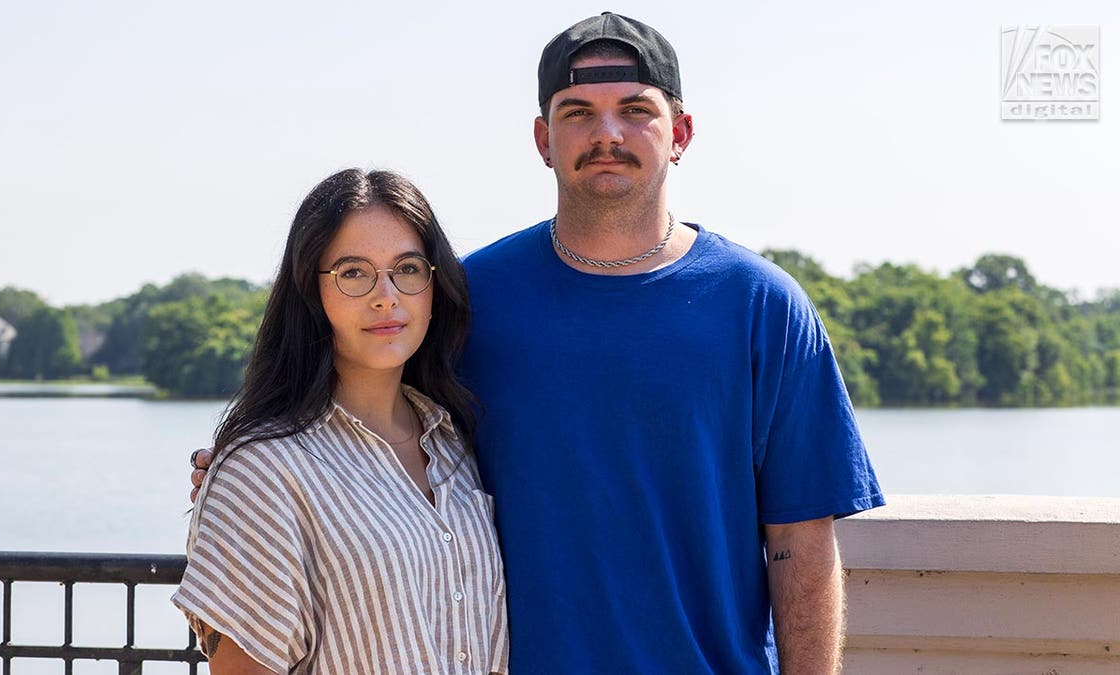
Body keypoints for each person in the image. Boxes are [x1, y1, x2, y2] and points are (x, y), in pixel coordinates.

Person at [192, 13, 882, 673]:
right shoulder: (467, 298)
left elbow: (802, 542)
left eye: (635, 109)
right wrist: (244, 474)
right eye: (577, 112)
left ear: (680, 132)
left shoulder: (764, 305)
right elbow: (362, 416)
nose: (606, 133)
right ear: (542, 139)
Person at [174, 168, 508, 674]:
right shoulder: (263, 469)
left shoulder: (456, 446)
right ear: (312, 291)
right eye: (353, 273)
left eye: (408, 268)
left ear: (434, 286)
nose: (386, 295)